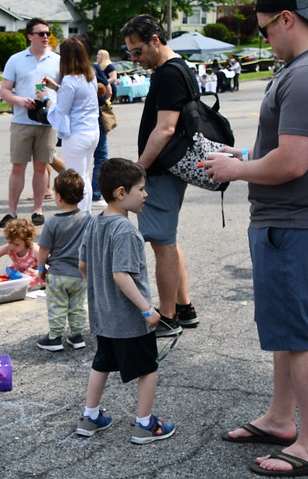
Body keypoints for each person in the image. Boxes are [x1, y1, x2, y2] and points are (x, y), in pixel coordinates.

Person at [204, 0, 308, 476]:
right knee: (287, 330)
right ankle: (280, 418)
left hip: (298, 222)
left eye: (266, 29)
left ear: (287, 19)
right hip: (301, 219)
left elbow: (292, 162)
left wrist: (236, 169)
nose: (265, 40)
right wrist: (247, 155)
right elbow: (300, 150)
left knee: (301, 332)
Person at [75, 157, 175, 444]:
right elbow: (121, 275)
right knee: (148, 367)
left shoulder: (94, 223)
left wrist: (98, 290)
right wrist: (147, 310)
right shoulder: (127, 230)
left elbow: (83, 265)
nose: (146, 194)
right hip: (130, 318)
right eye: (141, 189)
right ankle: (145, 424)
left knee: (102, 363)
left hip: (103, 315)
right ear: (121, 193)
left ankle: (90, 416)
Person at [120, 14, 197, 337]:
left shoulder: (168, 75)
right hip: (168, 168)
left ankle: (168, 317)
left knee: (161, 244)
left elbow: (165, 128)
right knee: (168, 240)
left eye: (137, 51)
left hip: (161, 170)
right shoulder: (180, 68)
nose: (135, 59)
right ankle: (184, 307)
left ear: (155, 40)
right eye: (130, 54)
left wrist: (139, 169)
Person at [0, 18, 60, 228]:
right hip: (22, 121)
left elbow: (64, 88)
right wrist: (19, 100)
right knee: (18, 166)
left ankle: (38, 209)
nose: (45, 37)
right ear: (30, 36)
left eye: (47, 33)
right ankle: (11, 212)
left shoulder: (56, 60)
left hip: (47, 121)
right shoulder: (16, 59)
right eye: (41, 33)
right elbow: (4, 90)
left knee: (41, 167)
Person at [37, 38, 99, 213]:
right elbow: (76, 98)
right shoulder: (90, 75)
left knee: (76, 180)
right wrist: (56, 87)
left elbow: (62, 109)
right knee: (84, 176)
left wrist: (45, 98)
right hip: (92, 131)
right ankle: (85, 215)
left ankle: (79, 220)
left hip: (77, 134)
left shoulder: (70, 80)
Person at [34, 169, 90, 352]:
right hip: (80, 273)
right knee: (77, 306)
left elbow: (44, 249)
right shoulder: (87, 218)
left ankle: (55, 337)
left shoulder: (52, 222)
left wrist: (41, 267)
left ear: (58, 196)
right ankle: (77, 336)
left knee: (57, 306)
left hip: (58, 273)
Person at [0, 217, 41, 287]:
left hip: (33, 274)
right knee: (0, 277)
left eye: (17, 244)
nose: (12, 247)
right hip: (17, 273)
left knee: (35, 280)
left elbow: (44, 267)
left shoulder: (35, 250)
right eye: (10, 242)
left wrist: (36, 272)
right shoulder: (9, 248)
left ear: (27, 242)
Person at [91, 48, 117, 206]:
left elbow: (111, 81)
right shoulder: (93, 68)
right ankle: (95, 194)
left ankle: (80, 194)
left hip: (77, 121)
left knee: (84, 159)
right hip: (95, 116)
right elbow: (108, 90)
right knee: (100, 156)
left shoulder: (106, 66)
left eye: (100, 54)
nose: (97, 56)